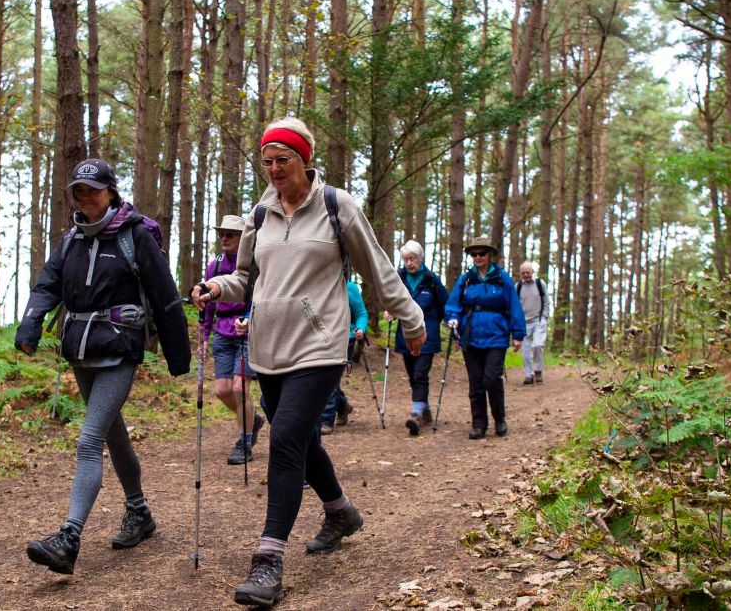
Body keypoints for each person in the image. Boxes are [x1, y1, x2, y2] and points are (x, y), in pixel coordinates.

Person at [191, 117, 425, 608]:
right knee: (300, 438)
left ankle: (268, 559)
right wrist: (217, 288)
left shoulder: (338, 207)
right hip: (268, 347)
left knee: (284, 439)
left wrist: (412, 321)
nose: (275, 169)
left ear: (305, 161)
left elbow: (378, 270)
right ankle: (340, 511)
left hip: (319, 346)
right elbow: (246, 277)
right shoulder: (259, 214)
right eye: (268, 161)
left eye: (284, 160)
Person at [15, 158, 191, 575]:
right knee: (113, 434)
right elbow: (47, 285)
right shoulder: (70, 240)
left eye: (94, 189)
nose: (86, 196)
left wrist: (177, 355)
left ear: (111, 191)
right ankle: (139, 512)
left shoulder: (136, 236)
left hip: (119, 348)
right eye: (79, 190)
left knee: (89, 439)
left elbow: (164, 294)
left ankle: (69, 536)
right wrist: (31, 322)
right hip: (79, 348)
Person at [445, 237, 525, 440]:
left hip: (496, 335)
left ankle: (499, 418)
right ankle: (479, 424)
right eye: (474, 254)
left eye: (482, 253)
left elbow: (514, 306)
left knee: (491, 378)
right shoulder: (466, 279)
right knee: (476, 382)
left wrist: (517, 334)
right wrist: (453, 319)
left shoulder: (502, 278)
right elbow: (453, 304)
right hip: (470, 336)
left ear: (490, 255)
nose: (478, 257)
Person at [203, 214, 267, 464]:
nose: (224, 238)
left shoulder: (254, 265)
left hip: (247, 331)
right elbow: (208, 304)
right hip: (223, 331)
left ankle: (244, 441)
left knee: (241, 389)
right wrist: (205, 333)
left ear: (244, 239)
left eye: (231, 234)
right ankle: (253, 419)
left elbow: (259, 297)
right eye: (222, 233)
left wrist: (250, 318)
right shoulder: (214, 265)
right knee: (222, 391)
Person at [384, 240, 449, 436]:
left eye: (412, 259)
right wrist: (390, 311)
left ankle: (416, 414)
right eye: (406, 260)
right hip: (405, 334)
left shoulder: (431, 279)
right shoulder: (399, 278)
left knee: (421, 373)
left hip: (427, 334)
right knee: (413, 375)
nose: (409, 263)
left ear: (420, 259)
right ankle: (425, 408)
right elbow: (392, 300)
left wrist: (443, 324)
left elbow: (444, 304)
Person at [319, 280, 366, 434]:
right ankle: (343, 405)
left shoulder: (349, 287)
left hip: (346, 338)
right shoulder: (316, 284)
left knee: (329, 376)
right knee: (326, 378)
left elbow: (361, 313)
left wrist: (360, 328)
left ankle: (326, 420)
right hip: (320, 338)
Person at [517, 261, 551, 385]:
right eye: (523, 273)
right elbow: (516, 305)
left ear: (532, 272)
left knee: (537, 345)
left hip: (538, 320)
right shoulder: (518, 286)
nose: (526, 275)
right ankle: (528, 375)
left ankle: (538, 370)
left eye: (528, 272)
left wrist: (544, 317)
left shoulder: (539, 284)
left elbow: (546, 301)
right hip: (524, 323)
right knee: (525, 350)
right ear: (521, 273)